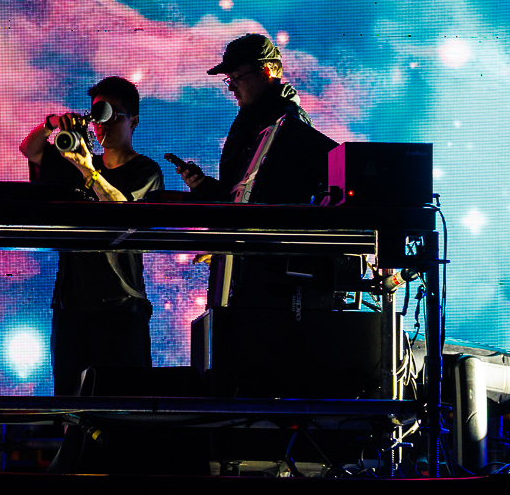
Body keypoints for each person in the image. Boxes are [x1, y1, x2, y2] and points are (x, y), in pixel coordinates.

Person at [19, 77, 165, 396]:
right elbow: (30, 149)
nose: (104, 124)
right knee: (70, 404)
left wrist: (89, 170)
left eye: (114, 115)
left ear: (134, 121)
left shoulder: (146, 171)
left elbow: (124, 213)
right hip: (71, 307)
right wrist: (52, 124)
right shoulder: (78, 163)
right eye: (99, 115)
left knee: (124, 404)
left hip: (121, 307)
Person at [166, 33, 336, 306]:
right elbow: (242, 197)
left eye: (237, 77)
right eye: (229, 80)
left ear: (266, 71)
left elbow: (282, 202)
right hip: (251, 272)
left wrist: (233, 240)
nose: (231, 88)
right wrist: (203, 186)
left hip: (271, 282)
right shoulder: (257, 121)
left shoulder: (286, 123)